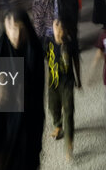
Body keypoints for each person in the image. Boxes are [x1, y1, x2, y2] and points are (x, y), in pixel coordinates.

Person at [0, 10, 45, 170]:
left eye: (20, 29)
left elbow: (37, 96)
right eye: (12, 29)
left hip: (28, 126)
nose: (16, 35)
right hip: (6, 131)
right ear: (5, 28)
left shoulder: (34, 51)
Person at [45, 20, 75, 161]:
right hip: (53, 82)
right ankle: (58, 125)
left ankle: (69, 144)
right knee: (53, 106)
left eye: (62, 26)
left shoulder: (70, 43)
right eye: (56, 26)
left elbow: (76, 62)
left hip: (67, 82)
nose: (59, 29)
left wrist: (78, 80)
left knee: (68, 111)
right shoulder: (48, 43)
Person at [56, 0, 86, 87]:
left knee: (74, 34)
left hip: (73, 11)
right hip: (64, 12)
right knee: (65, 38)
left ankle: (78, 79)